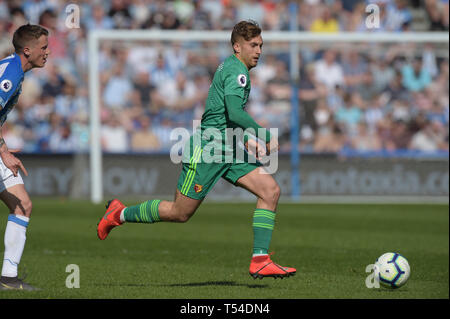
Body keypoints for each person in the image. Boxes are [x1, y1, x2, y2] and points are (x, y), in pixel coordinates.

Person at [97, 20, 296, 279]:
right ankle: (119, 213)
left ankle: (260, 259)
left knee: (270, 190)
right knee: (180, 213)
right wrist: (264, 134)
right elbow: (234, 111)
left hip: (228, 148)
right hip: (209, 150)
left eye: (261, 45)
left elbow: (224, 113)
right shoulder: (238, 72)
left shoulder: (233, 67)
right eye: (253, 45)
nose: (258, 50)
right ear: (237, 46)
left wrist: (245, 138)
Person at [0, 24, 50, 290]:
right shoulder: (11, 72)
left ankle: (8, 278)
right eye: (43, 47)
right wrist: (3, 151)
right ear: (27, 50)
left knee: (22, 205)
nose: (48, 52)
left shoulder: (14, 69)